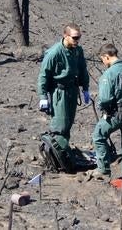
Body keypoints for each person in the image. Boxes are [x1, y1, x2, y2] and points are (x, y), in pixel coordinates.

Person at [37, 23, 90, 170]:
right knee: (59, 126)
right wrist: (43, 96)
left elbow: (83, 69)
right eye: (74, 37)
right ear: (65, 35)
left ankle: (62, 155)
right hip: (59, 92)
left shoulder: (78, 51)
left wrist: (85, 88)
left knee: (68, 124)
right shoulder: (54, 53)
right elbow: (43, 75)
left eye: (79, 37)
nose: (77, 40)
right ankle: (55, 158)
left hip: (72, 91)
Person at [92, 43, 122, 183]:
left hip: (117, 114)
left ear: (106, 57)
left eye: (103, 59)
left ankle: (103, 170)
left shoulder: (109, 73)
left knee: (98, 135)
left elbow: (105, 98)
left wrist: (103, 107)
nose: (103, 63)